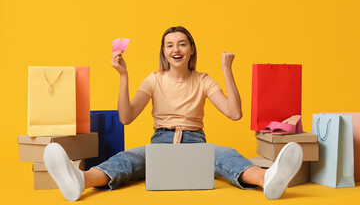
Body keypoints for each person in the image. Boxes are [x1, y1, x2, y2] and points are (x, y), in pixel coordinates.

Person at [44, 26, 303, 201]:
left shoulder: (203, 80)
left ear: (191, 49)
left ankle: (268, 179)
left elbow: (234, 113)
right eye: (169, 45)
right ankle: (81, 179)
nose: (175, 49)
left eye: (181, 44)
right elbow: (126, 118)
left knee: (225, 155)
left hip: (195, 142)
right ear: (164, 52)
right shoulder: (154, 80)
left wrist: (227, 69)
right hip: (161, 142)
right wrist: (123, 75)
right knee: (129, 159)